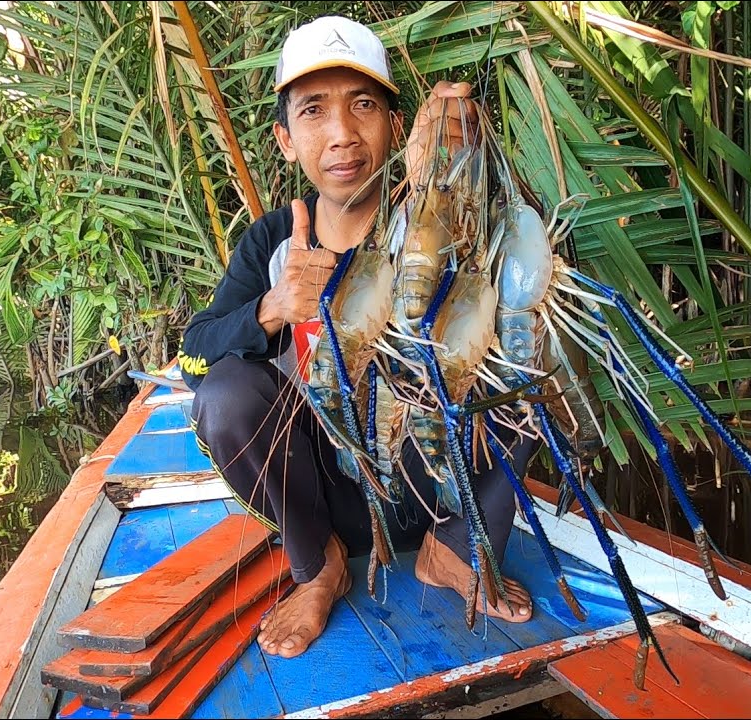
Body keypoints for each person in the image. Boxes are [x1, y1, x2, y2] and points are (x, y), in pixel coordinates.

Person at [175, 15, 540, 659]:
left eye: (364, 105)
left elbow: (528, 268)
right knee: (224, 394)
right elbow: (191, 359)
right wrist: (272, 307)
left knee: (533, 341)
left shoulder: (441, 216)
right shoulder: (272, 242)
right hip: (327, 497)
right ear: (286, 140)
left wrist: (467, 160)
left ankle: (456, 551)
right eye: (314, 110)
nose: (342, 133)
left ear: (397, 128)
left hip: (436, 485)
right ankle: (319, 567)